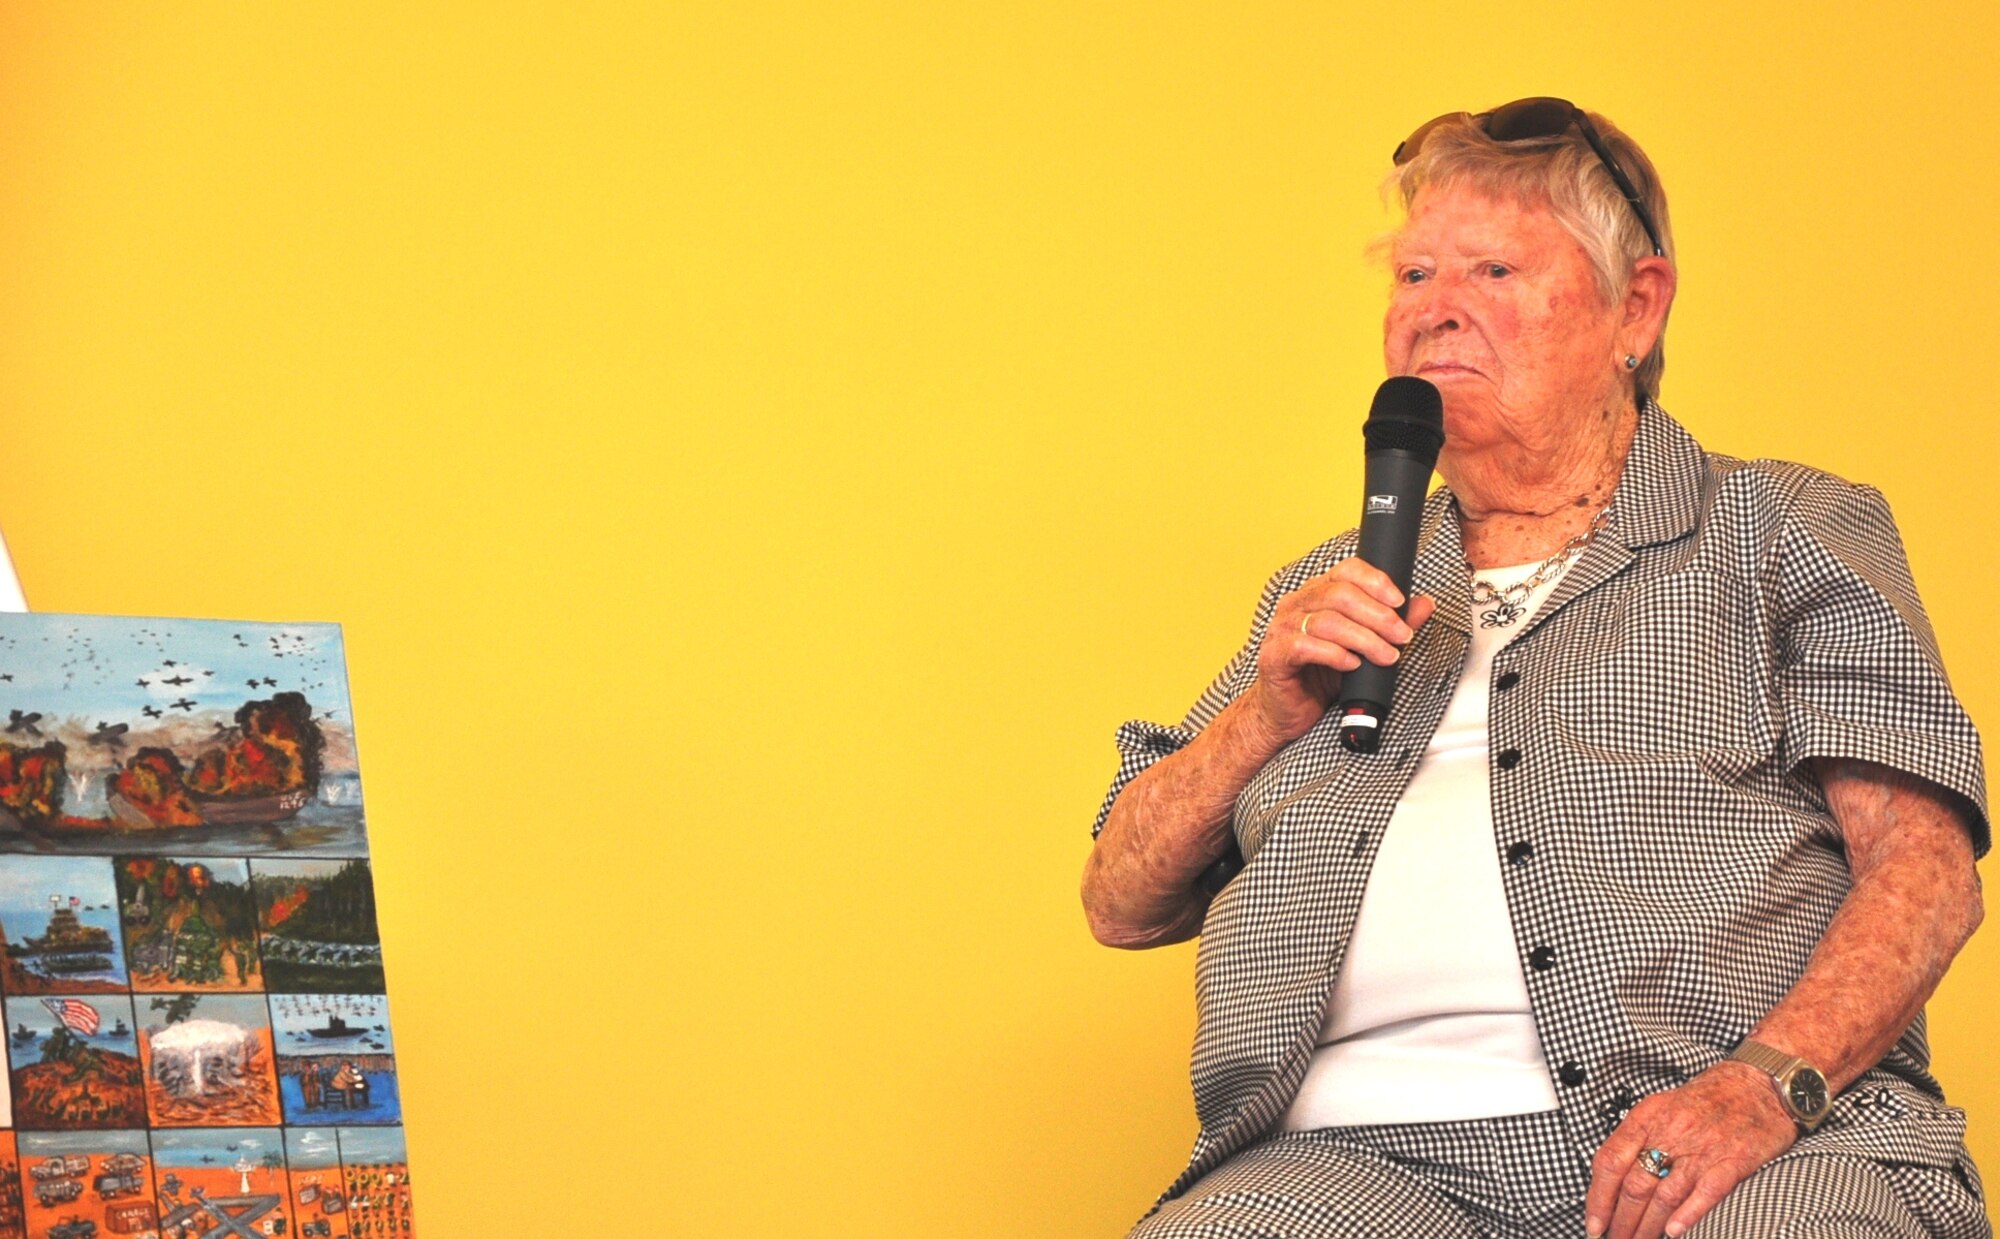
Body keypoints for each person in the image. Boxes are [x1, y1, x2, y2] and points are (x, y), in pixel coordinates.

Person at [1080, 98, 1989, 1239]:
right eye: (1411, 278)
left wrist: (1762, 1087)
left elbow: (1923, 870)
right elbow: (1117, 900)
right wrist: (1260, 716)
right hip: (1354, 1167)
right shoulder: (1327, 591)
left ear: (1634, 307)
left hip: (1735, 1137)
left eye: (1492, 270)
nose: (1432, 313)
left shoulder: (1777, 530)